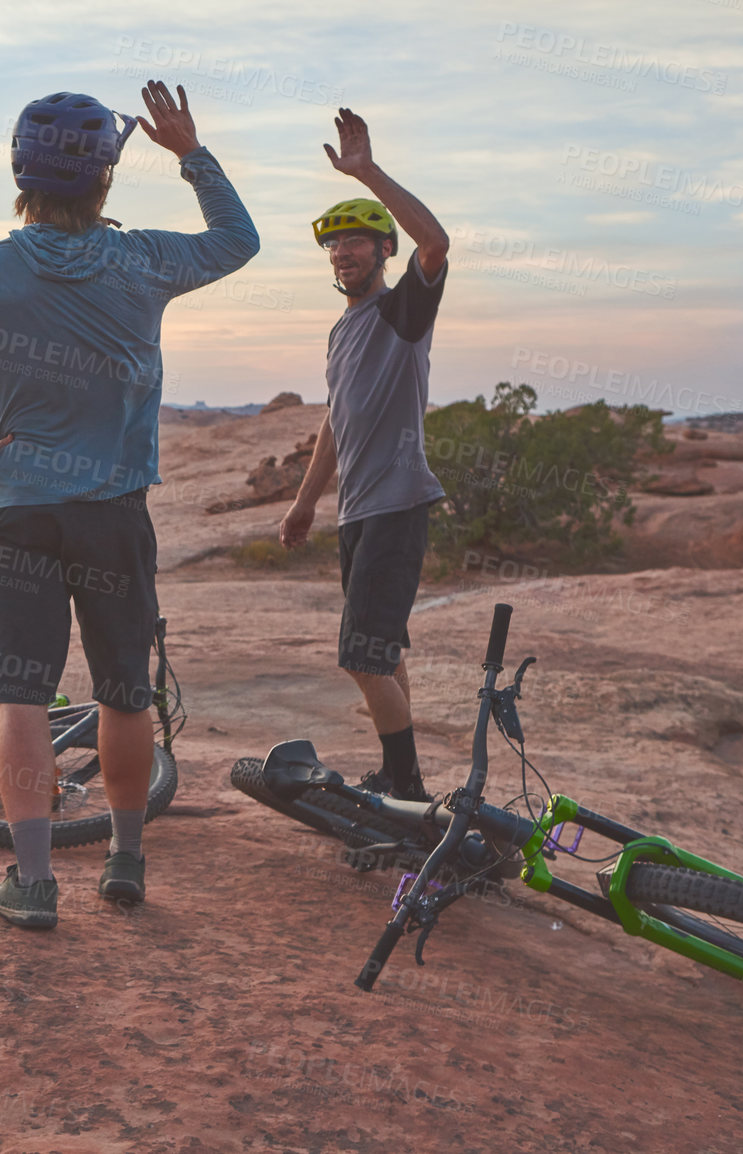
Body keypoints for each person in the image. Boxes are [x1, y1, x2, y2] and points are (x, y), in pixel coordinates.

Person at [0, 82, 259, 928]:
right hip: (115, 514)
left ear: (21, 173)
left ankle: (36, 883)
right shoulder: (143, 259)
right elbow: (239, 241)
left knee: (23, 695)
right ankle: (124, 862)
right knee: (125, 692)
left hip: (21, 512)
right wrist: (191, 152)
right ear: (106, 180)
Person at [278, 107, 450, 803]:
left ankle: (405, 782)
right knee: (386, 651)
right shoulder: (341, 331)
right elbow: (333, 421)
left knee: (360, 656)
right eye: (336, 246)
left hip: (397, 505)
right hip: (359, 512)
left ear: (384, 251)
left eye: (358, 242)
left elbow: (435, 241)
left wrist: (368, 173)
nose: (345, 253)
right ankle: (399, 777)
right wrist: (305, 500)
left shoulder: (401, 314)